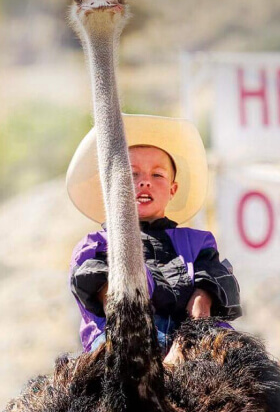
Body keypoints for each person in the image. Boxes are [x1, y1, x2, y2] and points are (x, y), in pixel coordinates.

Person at [67, 114, 241, 360]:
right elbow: (95, 283)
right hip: (126, 332)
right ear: (112, 186)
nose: (145, 182)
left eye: (157, 175)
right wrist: (126, 308)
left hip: (193, 331)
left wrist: (200, 307)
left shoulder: (197, 242)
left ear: (173, 190)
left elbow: (214, 277)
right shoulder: (97, 244)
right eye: (132, 174)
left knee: (245, 363)